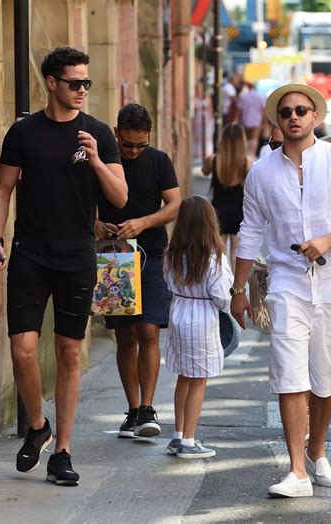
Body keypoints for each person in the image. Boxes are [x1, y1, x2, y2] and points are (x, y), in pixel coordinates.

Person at [0, 47, 128, 487]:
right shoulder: (24, 133)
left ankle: (63, 450)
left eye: (87, 83)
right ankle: (37, 425)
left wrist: (98, 160)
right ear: (52, 83)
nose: (82, 90)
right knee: (22, 350)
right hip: (30, 252)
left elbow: (120, 198)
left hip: (76, 256)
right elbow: (2, 190)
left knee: (69, 353)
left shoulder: (99, 134)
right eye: (74, 83)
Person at [230, 83, 331, 497]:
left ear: (315, 117)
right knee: (289, 373)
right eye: (287, 111)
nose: (294, 116)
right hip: (286, 284)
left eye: (302, 110)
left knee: (325, 378)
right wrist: (237, 288)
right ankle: (296, 471)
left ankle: (317, 449)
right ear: (277, 120)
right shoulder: (261, 172)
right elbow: (251, 231)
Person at [95, 103, 181, 439]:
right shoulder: (103, 164)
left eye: (139, 145)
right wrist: (95, 225)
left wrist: (143, 222)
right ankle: (132, 410)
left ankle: (148, 407)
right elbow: (83, 203)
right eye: (127, 144)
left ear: (149, 138)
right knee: (124, 335)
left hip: (152, 255)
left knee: (148, 330)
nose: (132, 151)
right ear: (117, 133)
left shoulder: (159, 161)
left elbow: (174, 205)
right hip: (113, 257)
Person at [163, 196, 233, 458]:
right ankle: (190, 441)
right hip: (202, 316)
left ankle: (178, 435)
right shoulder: (214, 256)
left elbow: (167, 281)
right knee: (198, 379)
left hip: (179, 311)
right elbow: (222, 294)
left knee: (184, 375)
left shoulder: (172, 252)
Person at [202, 124, 253, 268]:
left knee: (219, 253)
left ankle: (220, 284)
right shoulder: (247, 163)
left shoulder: (213, 160)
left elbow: (204, 172)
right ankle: (237, 287)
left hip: (218, 211)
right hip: (239, 211)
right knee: (236, 254)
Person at [237, 81, 266, 157]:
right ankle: (252, 156)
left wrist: (239, 121)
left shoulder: (243, 97)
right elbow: (263, 110)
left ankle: (245, 156)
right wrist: (264, 122)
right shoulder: (260, 97)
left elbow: (239, 111)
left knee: (245, 140)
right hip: (256, 122)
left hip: (245, 121)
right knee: (254, 140)